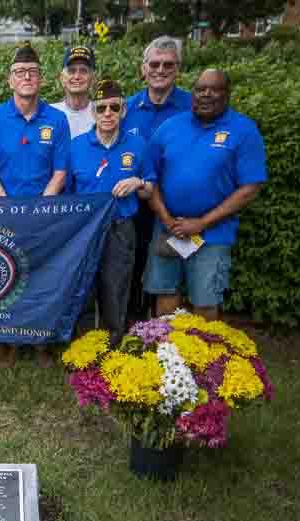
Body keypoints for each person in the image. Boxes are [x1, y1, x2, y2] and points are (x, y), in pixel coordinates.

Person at [144, 69, 267, 321]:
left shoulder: (244, 130)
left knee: (205, 301)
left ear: (227, 94)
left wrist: (201, 223)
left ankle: (203, 358)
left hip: (212, 233)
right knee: (165, 293)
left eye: (215, 89)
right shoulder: (171, 127)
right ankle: (165, 356)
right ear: (193, 93)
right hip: (169, 228)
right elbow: (149, 177)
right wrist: (166, 218)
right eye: (200, 89)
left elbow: (250, 188)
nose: (206, 95)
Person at [0, 43, 70, 368]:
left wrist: (41, 209)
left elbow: (60, 172)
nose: (27, 77)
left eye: (32, 71)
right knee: (6, 278)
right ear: (10, 79)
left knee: (43, 277)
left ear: (41, 79)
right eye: (20, 72)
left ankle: (42, 341)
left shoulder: (57, 120)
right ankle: (8, 342)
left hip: (44, 214)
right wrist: (7, 208)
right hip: (4, 213)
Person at [69, 80, 155, 346]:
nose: (108, 113)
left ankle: (112, 346)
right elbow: (67, 192)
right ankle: (82, 348)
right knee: (82, 286)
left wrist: (138, 182)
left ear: (123, 111)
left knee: (115, 286)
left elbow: (151, 189)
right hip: (85, 228)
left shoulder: (139, 145)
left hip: (121, 226)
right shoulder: (76, 146)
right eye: (102, 107)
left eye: (114, 107)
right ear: (93, 112)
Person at [124, 36, 192, 320]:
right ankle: (134, 326)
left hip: (173, 205)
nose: (160, 70)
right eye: (154, 63)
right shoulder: (125, 109)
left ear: (178, 69)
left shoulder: (193, 107)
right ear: (143, 69)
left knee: (168, 271)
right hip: (135, 205)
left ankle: (162, 332)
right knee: (134, 266)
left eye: (168, 64)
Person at [51, 45, 96, 139]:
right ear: (62, 78)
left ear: (93, 79)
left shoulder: (103, 114)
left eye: (83, 71)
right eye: (72, 71)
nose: (77, 76)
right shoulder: (49, 114)